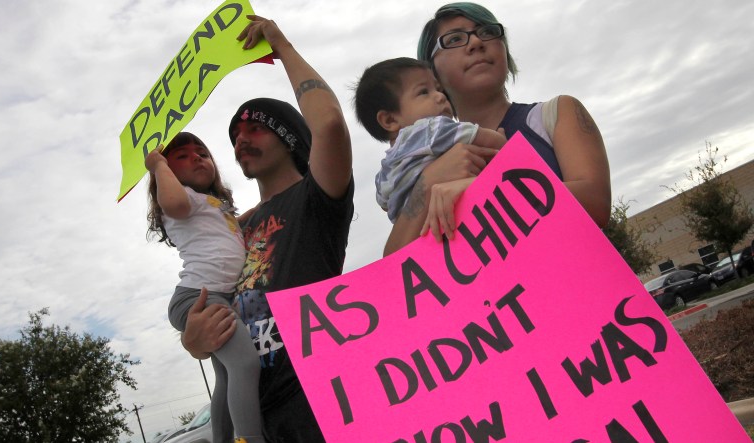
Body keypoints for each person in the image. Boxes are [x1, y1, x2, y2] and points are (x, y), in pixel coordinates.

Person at [180, 15, 354, 443]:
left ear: (289, 137)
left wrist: (282, 46)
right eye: (235, 134)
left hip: (316, 406)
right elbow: (207, 297)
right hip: (255, 416)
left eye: (254, 128)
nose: (240, 140)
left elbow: (329, 123)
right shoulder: (234, 227)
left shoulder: (319, 197)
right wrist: (195, 341)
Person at [384, 2, 611, 254]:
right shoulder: (426, 161)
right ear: (431, 72)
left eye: (488, 32)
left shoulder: (556, 113)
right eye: (455, 39)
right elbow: (396, 262)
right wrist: (428, 182)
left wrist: (486, 190)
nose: (476, 43)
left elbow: (596, 203)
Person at [144, 132, 264, 443]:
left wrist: (265, 205)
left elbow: (235, 230)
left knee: (226, 375)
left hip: (216, 297)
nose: (196, 157)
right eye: (181, 156)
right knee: (246, 363)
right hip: (199, 299)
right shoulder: (181, 200)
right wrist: (157, 165)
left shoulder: (212, 205)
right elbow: (172, 201)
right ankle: (250, 439)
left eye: (202, 153)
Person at [353, 57, 506, 225]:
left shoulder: (384, 173)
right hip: (468, 211)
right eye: (424, 92)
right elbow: (490, 140)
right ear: (389, 120)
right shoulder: (432, 130)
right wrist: (500, 136)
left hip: (425, 233)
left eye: (438, 89)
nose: (440, 96)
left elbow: (384, 204)